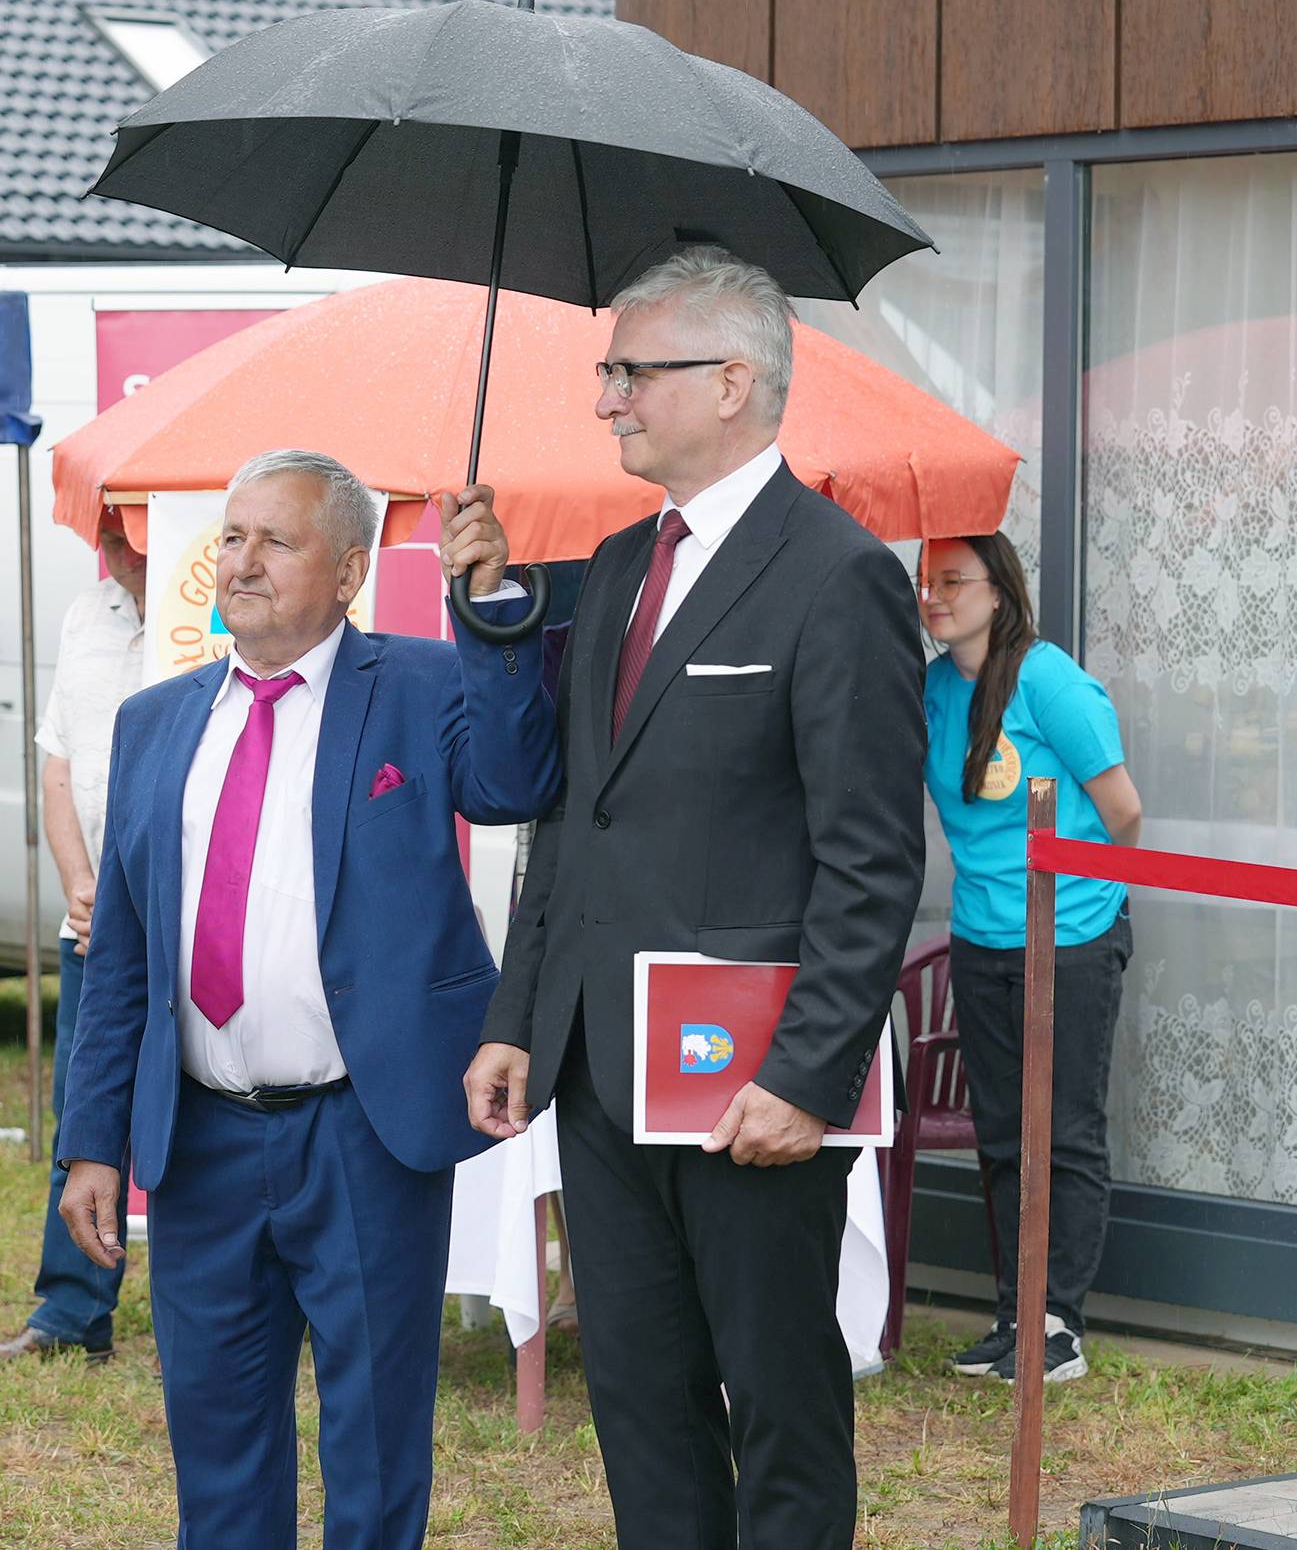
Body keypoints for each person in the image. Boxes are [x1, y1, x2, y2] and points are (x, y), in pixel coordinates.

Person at [462, 246, 925, 1550]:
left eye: (630, 371)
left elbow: (872, 859)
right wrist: (518, 1016)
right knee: (639, 1399)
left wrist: (808, 1073)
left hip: (750, 1088)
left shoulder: (837, 574)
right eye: (606, 370)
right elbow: (570, 820)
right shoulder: (616, 565)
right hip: (604, 1075)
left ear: (732, 381)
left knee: (781, 1401)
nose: (605, 397)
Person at [56, 450, 558, 1549]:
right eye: (233, 537)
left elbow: (514, 782)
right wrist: (91, 1139)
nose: (243, 561)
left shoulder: (421, 684)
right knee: (218, 1450)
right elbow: (124, 958)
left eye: (276, 540)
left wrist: (491, 610)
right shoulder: (154, 721)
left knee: (374, 1450)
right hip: (201, 1143)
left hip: (364, 1132)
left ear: (350, 571)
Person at [919, 531, 1140, 1386]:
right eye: (926, 581)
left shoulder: (1049, 681)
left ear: (999, 588)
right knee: (1004, 1131)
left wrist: (1092, 906)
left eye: (953, 580)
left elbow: (1124, 811)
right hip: (981, 937)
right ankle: (1015, 1314)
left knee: (1066, 1131)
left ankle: (1059, 1325)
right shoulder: (936, 687)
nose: (935, 596)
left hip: (1070, 936)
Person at [0, 509, 147, 1364]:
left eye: (133, 520)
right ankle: (73, 1311)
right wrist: (81, 883)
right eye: (106, 521)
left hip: (190, 921)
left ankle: (225, 1313)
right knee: (83, 1115)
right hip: (92, 923)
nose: (115, 539)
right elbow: (57, 766)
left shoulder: (219, 618)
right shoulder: (88, 612)